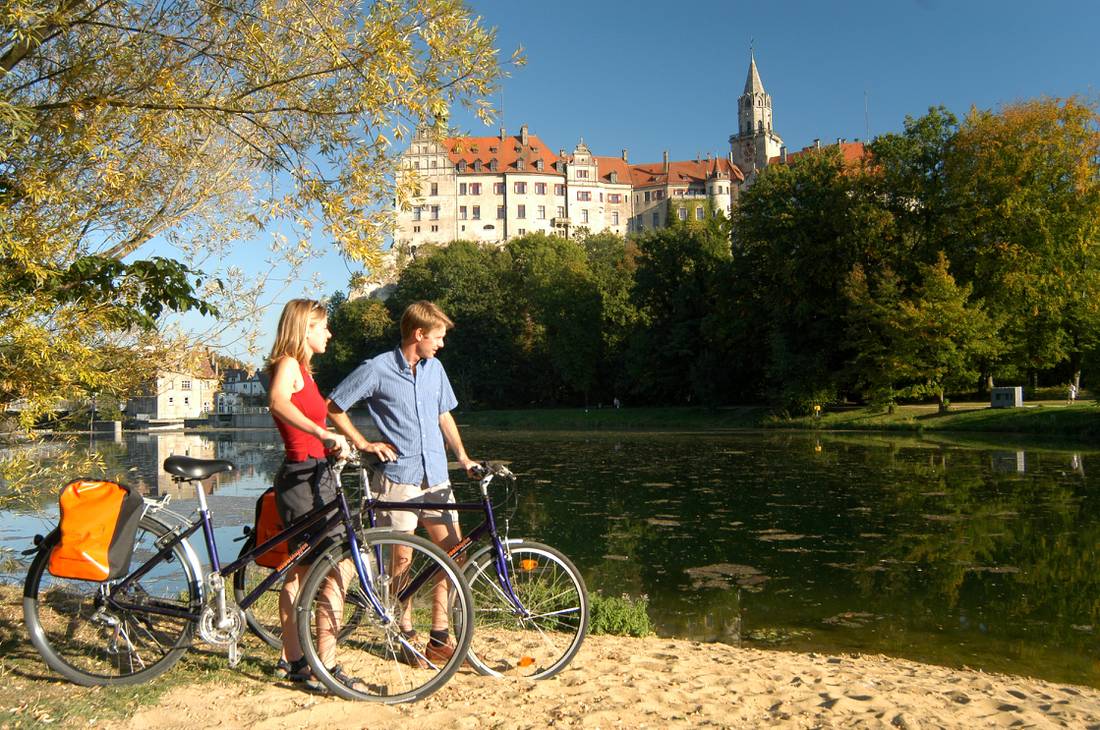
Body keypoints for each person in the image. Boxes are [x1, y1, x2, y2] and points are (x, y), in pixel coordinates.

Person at [327, 300, 478, 665]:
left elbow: (444, 415)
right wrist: (362, 443)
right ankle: (404, 630)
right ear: (419, 334)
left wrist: (462, 457)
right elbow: (334, 405)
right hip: (397, 479)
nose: (441, 344)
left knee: (454, 554)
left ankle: (439, 634)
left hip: (437, 477)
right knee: (401, 560)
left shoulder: (435, 368)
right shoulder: (377, 369)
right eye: (437, 337)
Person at [265, 298, 357, 689]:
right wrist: (322, 433)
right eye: (323, 326)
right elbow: (277, 401)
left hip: (314, 474)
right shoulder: (288, 364)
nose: (329, 333)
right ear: (304, 328)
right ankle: (318, 664)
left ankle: (300, 661)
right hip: (303, 479)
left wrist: (336, 444)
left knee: (311, 572)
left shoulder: (304, 369)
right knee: (325, 570)